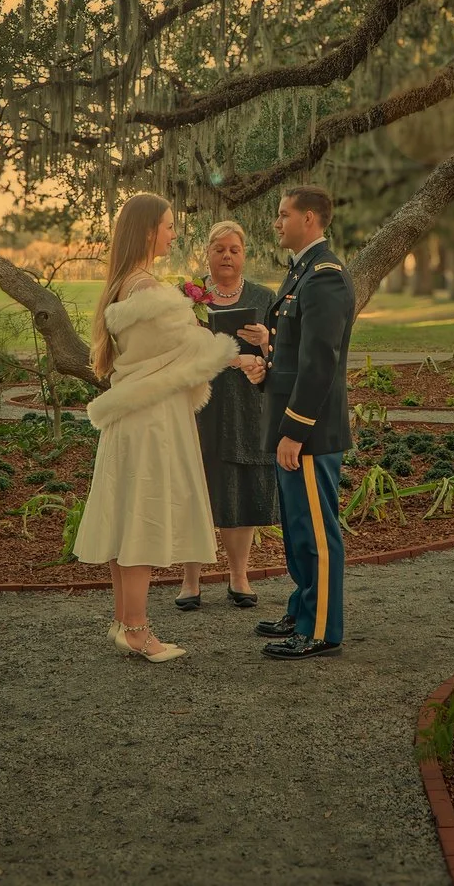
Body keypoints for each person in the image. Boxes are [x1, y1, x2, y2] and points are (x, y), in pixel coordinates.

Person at [73, 192, 265, 662]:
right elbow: (190, 350)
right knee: (141, 518)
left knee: (126, 517)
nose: (174, 233)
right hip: (150, 420)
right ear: (147, 231)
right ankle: (138, 629)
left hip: (133, 417)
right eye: (168, 225)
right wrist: (242, 357)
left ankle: (124, 622)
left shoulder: (130, 284)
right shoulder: (145, 290)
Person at [254, 183, 356, 661]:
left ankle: (321, 630)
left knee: (316, 532)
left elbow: (320, 364)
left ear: (309, 220)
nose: (277, 222)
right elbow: (294, 355)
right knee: (298, 530)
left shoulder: (326, 277)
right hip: (292, 428)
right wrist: (264, 369)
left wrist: (294, 431)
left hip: (309, 432)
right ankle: (302, 609)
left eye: (283, 214)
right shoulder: (302, 273)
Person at [176, 220, 279, 612]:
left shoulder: (263, 297)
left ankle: (239, 575)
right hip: (199, 405)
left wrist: (265, 345)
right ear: (207, 253)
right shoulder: (188, 296)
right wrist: (227, 356)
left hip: (247, 407)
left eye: (234, 250)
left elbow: (282, 356)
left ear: (244, 255)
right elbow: (173, 349)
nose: (227, 257)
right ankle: (190, 580)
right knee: (196, 487)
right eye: (219, 249)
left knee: (241, 486)